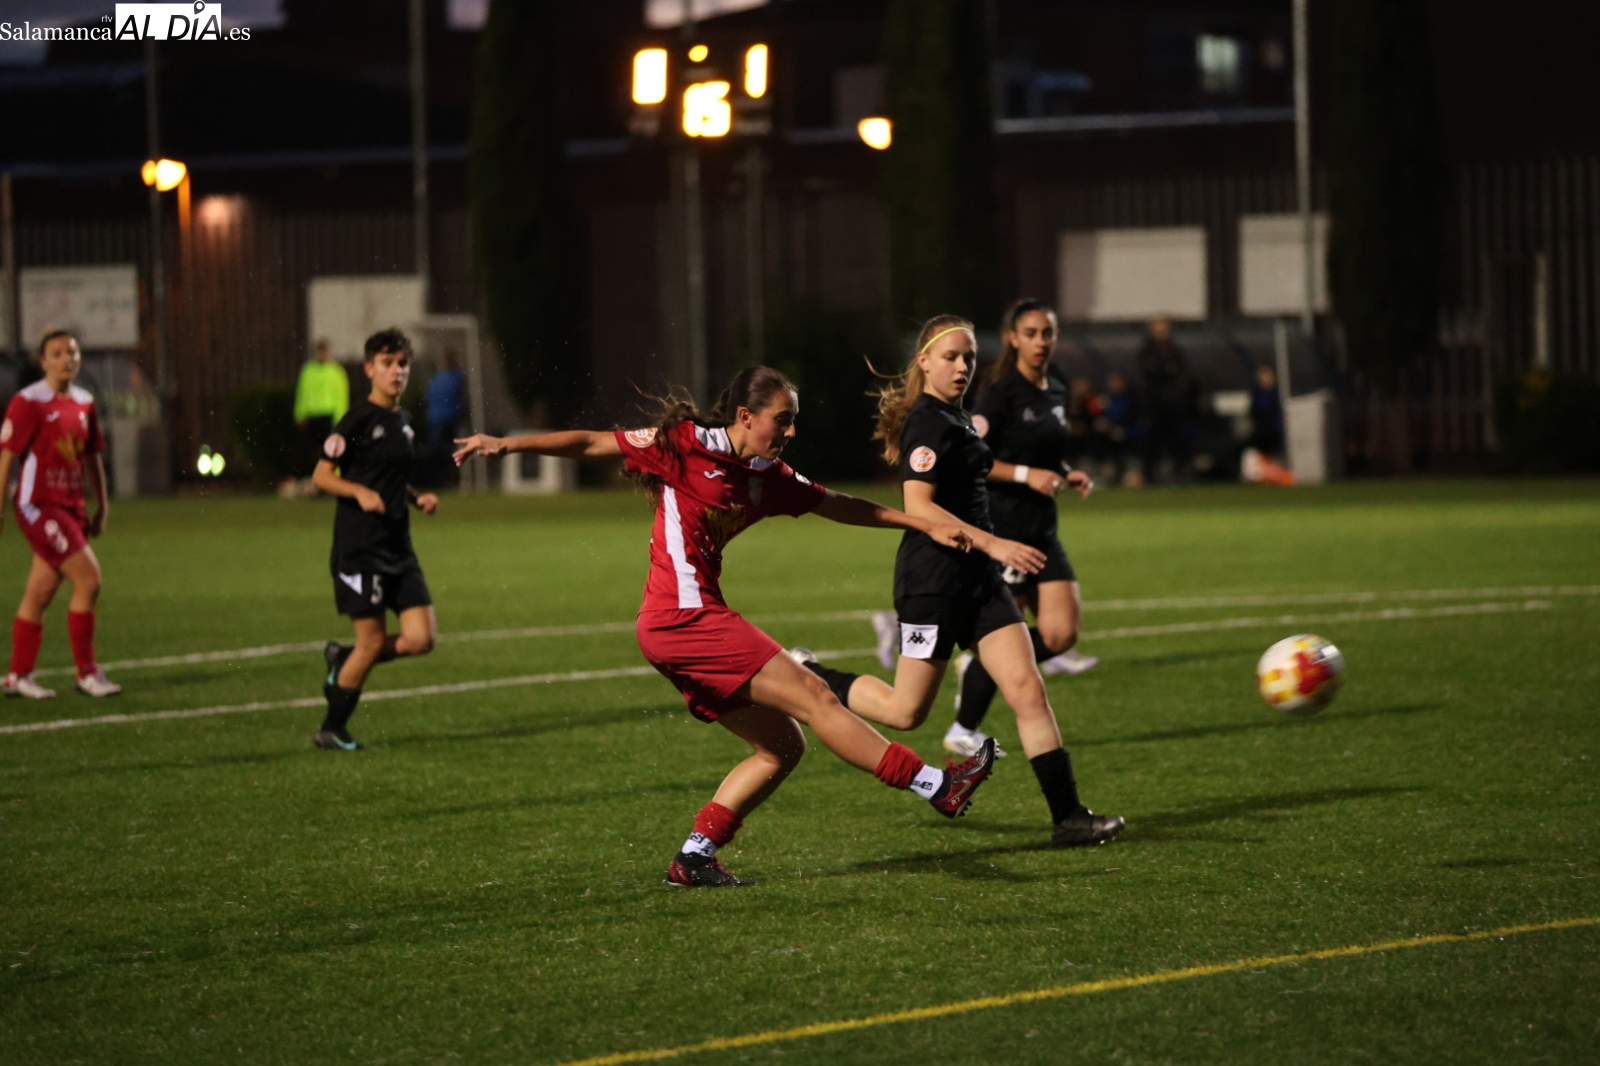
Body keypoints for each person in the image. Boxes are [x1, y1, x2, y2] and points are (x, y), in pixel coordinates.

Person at [452, 366, 997, 888]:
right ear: (745, 415)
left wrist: (922, 524)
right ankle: (937, 785)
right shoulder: (684, 444)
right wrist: (509, 445)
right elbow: (594, 443)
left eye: (793, 420)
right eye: (782, 419)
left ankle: (695, 856)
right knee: (814, 696)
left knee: (783, 745)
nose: (790, 430)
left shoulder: (769, 477)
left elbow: (839, 504)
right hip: (682, 617)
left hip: (678, 627)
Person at [808, 315, 1123, 849]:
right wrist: (995, 543)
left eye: (969, 358)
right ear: (924, 361)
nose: (961, 367)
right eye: (951, 356)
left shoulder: (955, 419)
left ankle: (1068, 816)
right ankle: (811, 674)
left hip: (979, 582)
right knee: (905, 712)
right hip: (931, 583)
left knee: (1027, 688)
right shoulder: (926, 424)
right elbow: (918, 506)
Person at [313, 328, 439, 751]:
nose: (396, 371)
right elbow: (321, 476)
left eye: (402, 363)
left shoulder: (402, 422)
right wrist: (358, 492)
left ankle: (342, 658)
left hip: (398, 547)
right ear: (369, 369)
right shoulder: (357, 420)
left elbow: (386, 479)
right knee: (370, 642)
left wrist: (416, 499)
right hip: (361, 549)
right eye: (387, 363)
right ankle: (332, 728)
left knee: (422, 639)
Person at [0, 329, 120, 698]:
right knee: (89, 580)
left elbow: (91, 458)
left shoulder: (84, 403)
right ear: (43, 361)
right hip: (38, 505)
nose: (66, 358)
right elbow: (7, 458)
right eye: (57, 353)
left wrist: (102, 505)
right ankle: (87, 673)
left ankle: (17, 677)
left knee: (40, 591)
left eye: (71, 351)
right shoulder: (28, 401)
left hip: (71, 506)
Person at [1135, 316, 1198, 484]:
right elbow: (1150, 373)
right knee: (1152, 441)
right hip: (1154, 405)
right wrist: (1168, 371)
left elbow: (1183, 373)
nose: (1162, 331)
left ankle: (1179, 473)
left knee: (1176, 440)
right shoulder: (1147, 350)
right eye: (1158, 327)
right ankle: (1150, 476)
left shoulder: (1174, 349)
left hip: (1174, 405)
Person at [291, 339, 350, 497]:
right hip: (313, 416)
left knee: (332, 450)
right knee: (315, 451)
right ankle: (316, 483)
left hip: (330, 416)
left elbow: (341, 396)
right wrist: (300, 413)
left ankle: (333, 482)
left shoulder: (336, 371)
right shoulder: (308, 371)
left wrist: (341, 417)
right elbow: (302, 393)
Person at [423, 350, 465, 487]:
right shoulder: (451, 378)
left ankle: (444, 479)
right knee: (446, 451)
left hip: (437, 419)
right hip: (446, 418)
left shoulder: (439, 379)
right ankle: (446, 479)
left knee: (441, 450)